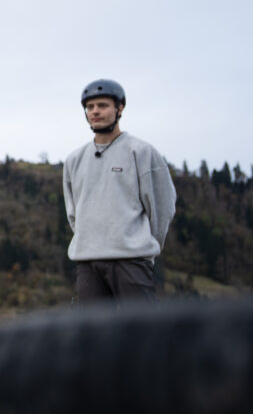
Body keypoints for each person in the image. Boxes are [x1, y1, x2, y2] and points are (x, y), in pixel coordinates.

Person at [62, 79, 176, 304]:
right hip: (88, 265)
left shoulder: (141, 152)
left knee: (141, 333)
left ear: (119, 108)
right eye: (90, 107)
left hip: (131, 263)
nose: (95, 112)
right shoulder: (74, 160)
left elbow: (162, 206)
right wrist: (92, 241)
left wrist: (140, 245)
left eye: (102, 105)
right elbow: (74, 213)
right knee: (95, 337)